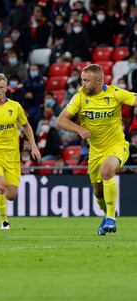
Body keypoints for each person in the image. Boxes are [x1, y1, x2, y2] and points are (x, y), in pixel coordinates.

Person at [56, 64, 137, 236]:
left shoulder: (115, 93)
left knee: (107, 170)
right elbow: (61, 120)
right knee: (98, 192)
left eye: (86, 81)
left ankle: (110, 219)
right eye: (82, 80)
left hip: (117, 146)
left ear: (99, 81)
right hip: (95, 151)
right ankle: (108, 212)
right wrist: (79, 130)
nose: (83, 84)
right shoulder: (79, 97)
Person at [0, 73, 41, 230]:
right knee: (0, 186)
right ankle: (4, 221)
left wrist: (34, 146)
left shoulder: (15, 106)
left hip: (12, 155)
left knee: (11, 195)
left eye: (1, 87)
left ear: (6, 89)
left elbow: (26, 126)